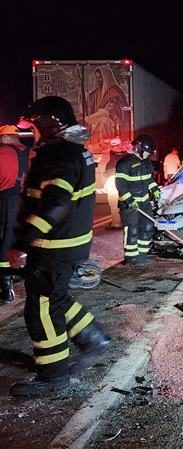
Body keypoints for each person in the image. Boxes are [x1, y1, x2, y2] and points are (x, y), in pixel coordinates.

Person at [11, 96, 110, 396]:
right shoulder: (73, 151)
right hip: (67, 245)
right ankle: (93, 338)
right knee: (56, 297)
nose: (32, 133)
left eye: (34, 127)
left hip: (52, 246)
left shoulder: (58, 156)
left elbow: (55, 204)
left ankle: (53, 376)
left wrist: (23, 242)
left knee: (40, 308)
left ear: (50, 126)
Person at [115, 135, 160, 266]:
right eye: (147, 152)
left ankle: (142, 255)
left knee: (147, 227)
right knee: (132, 230)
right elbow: (120, 185)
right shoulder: (124, 163)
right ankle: (131, 258)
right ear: (138, 147)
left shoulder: (146, 162)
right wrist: (130, 201)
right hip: (130, 204)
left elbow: (149, 180)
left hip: (144, 202)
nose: (148, 155)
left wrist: (155, 189)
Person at [0, 125, 29, 303]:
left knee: (4, 240)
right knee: (20, 238)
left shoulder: (2, 153)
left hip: (6, 201)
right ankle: (20, 272)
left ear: (4, 138)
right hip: (26, 201)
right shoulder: (30, 153)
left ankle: (6, 286)